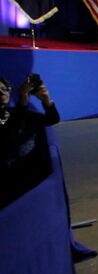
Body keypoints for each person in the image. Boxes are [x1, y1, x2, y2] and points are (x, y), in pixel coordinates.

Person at [0, 75, 60, 206]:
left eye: (4, 89)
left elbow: (51, 119)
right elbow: (10, 130)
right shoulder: (18, 112)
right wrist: (23, 100)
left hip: (27, 174)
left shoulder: (16, 112)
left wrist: (46, 101)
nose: (2, 92)